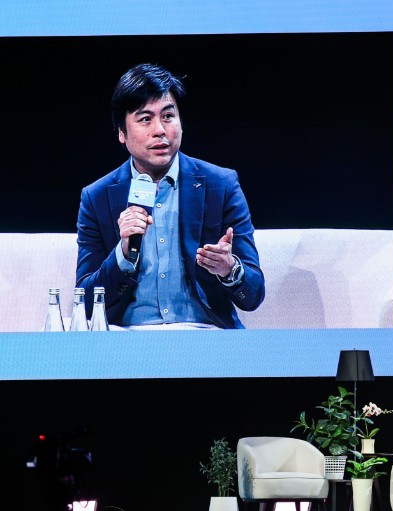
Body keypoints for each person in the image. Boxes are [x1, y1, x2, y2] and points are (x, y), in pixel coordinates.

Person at [76, 63, 265, 329]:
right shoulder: (96, 197)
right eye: (145, 119)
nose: (160, 130)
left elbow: (254, 295)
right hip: (128, 335)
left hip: (204, 333)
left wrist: (229, 268)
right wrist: (123, 253)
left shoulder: (221, 185)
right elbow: (84, 303)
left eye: (168, 116)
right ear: (121, 133)